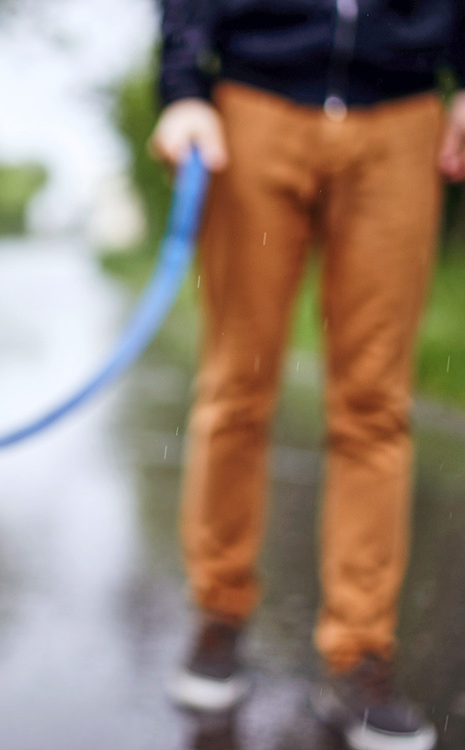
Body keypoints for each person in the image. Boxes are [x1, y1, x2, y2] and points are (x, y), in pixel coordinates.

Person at [149, 1, 465, 749]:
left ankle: (360, 656)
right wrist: (184, 86)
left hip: (403, 111)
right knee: (236, 387)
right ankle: (218, 621)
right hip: (255, 101)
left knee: (375, 406)